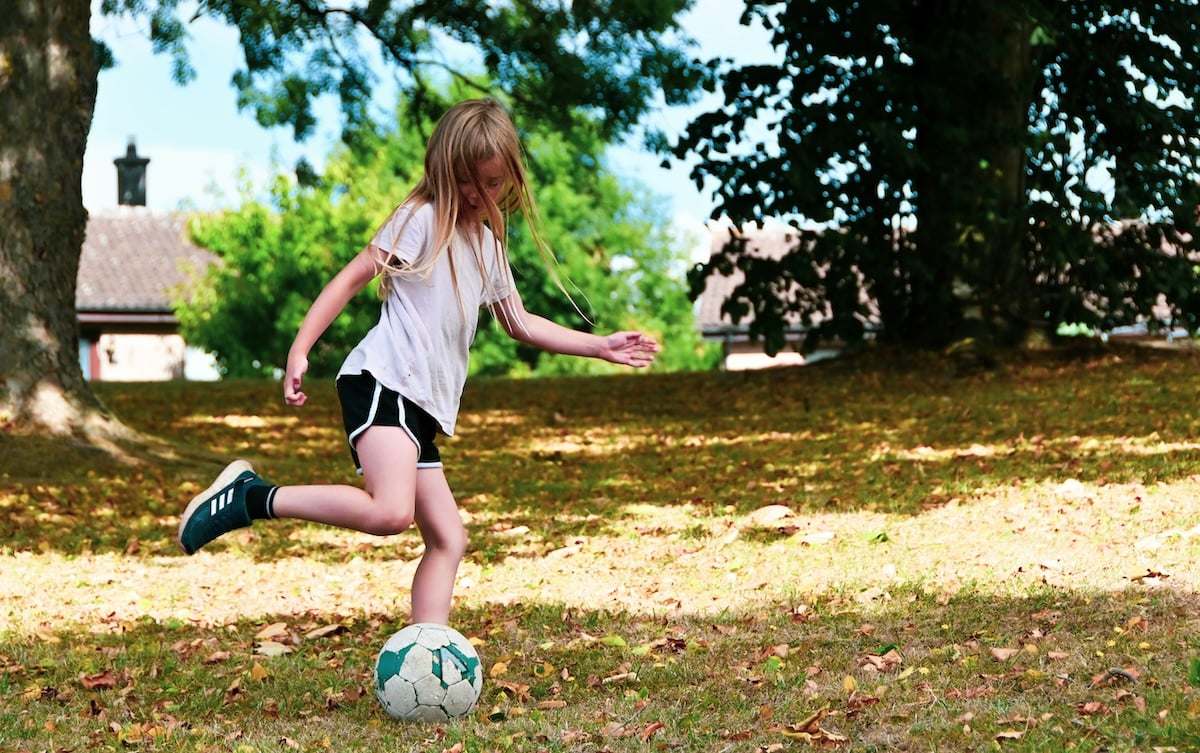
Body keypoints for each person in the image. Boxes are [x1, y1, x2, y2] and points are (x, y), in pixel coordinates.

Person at [176, 98, 659, 625]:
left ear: (509, 177)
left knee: (449, 539)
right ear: (443, 171)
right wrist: (300, 347)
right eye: (468, 181)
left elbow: (518, 321)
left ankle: (428, 650)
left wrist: (600, 345)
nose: (479, 195)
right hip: (385, 382)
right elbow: (353, 276)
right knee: (390, 513)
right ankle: (251, 497)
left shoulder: (488, 244)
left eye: (492, 183)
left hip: (420, 406)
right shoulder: (423, 219)